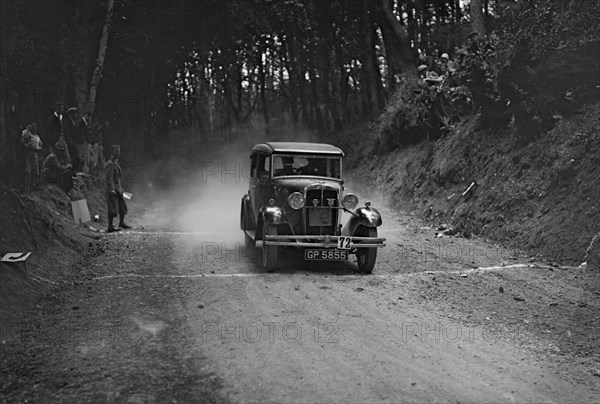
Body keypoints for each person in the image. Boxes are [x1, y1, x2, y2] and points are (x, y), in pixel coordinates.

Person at [105, 145, 130, 232]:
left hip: (118, 189)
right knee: (112, 208)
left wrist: (121, 188)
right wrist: (111, 189)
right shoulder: (110, 164)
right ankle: (110, 226)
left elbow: (118, 177)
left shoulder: (116, 162)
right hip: (113, 190)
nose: (118, 153)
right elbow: (109, 178)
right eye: (116, 151)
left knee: (122, 206)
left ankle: (121, 223)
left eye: (119, 151)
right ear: (112, 152)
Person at [21, 123, 43, 192]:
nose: (35, 128)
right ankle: (26, 190)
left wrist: (39, 148)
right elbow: (22, 139)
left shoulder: (37, 136)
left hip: (35, 153)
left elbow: (41, 144)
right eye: (33, 127)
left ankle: (31, 190)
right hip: (29, 153)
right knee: (28, 172)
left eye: (36, 127)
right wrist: (26, 145)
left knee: (34, 172)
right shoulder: (28, 134)